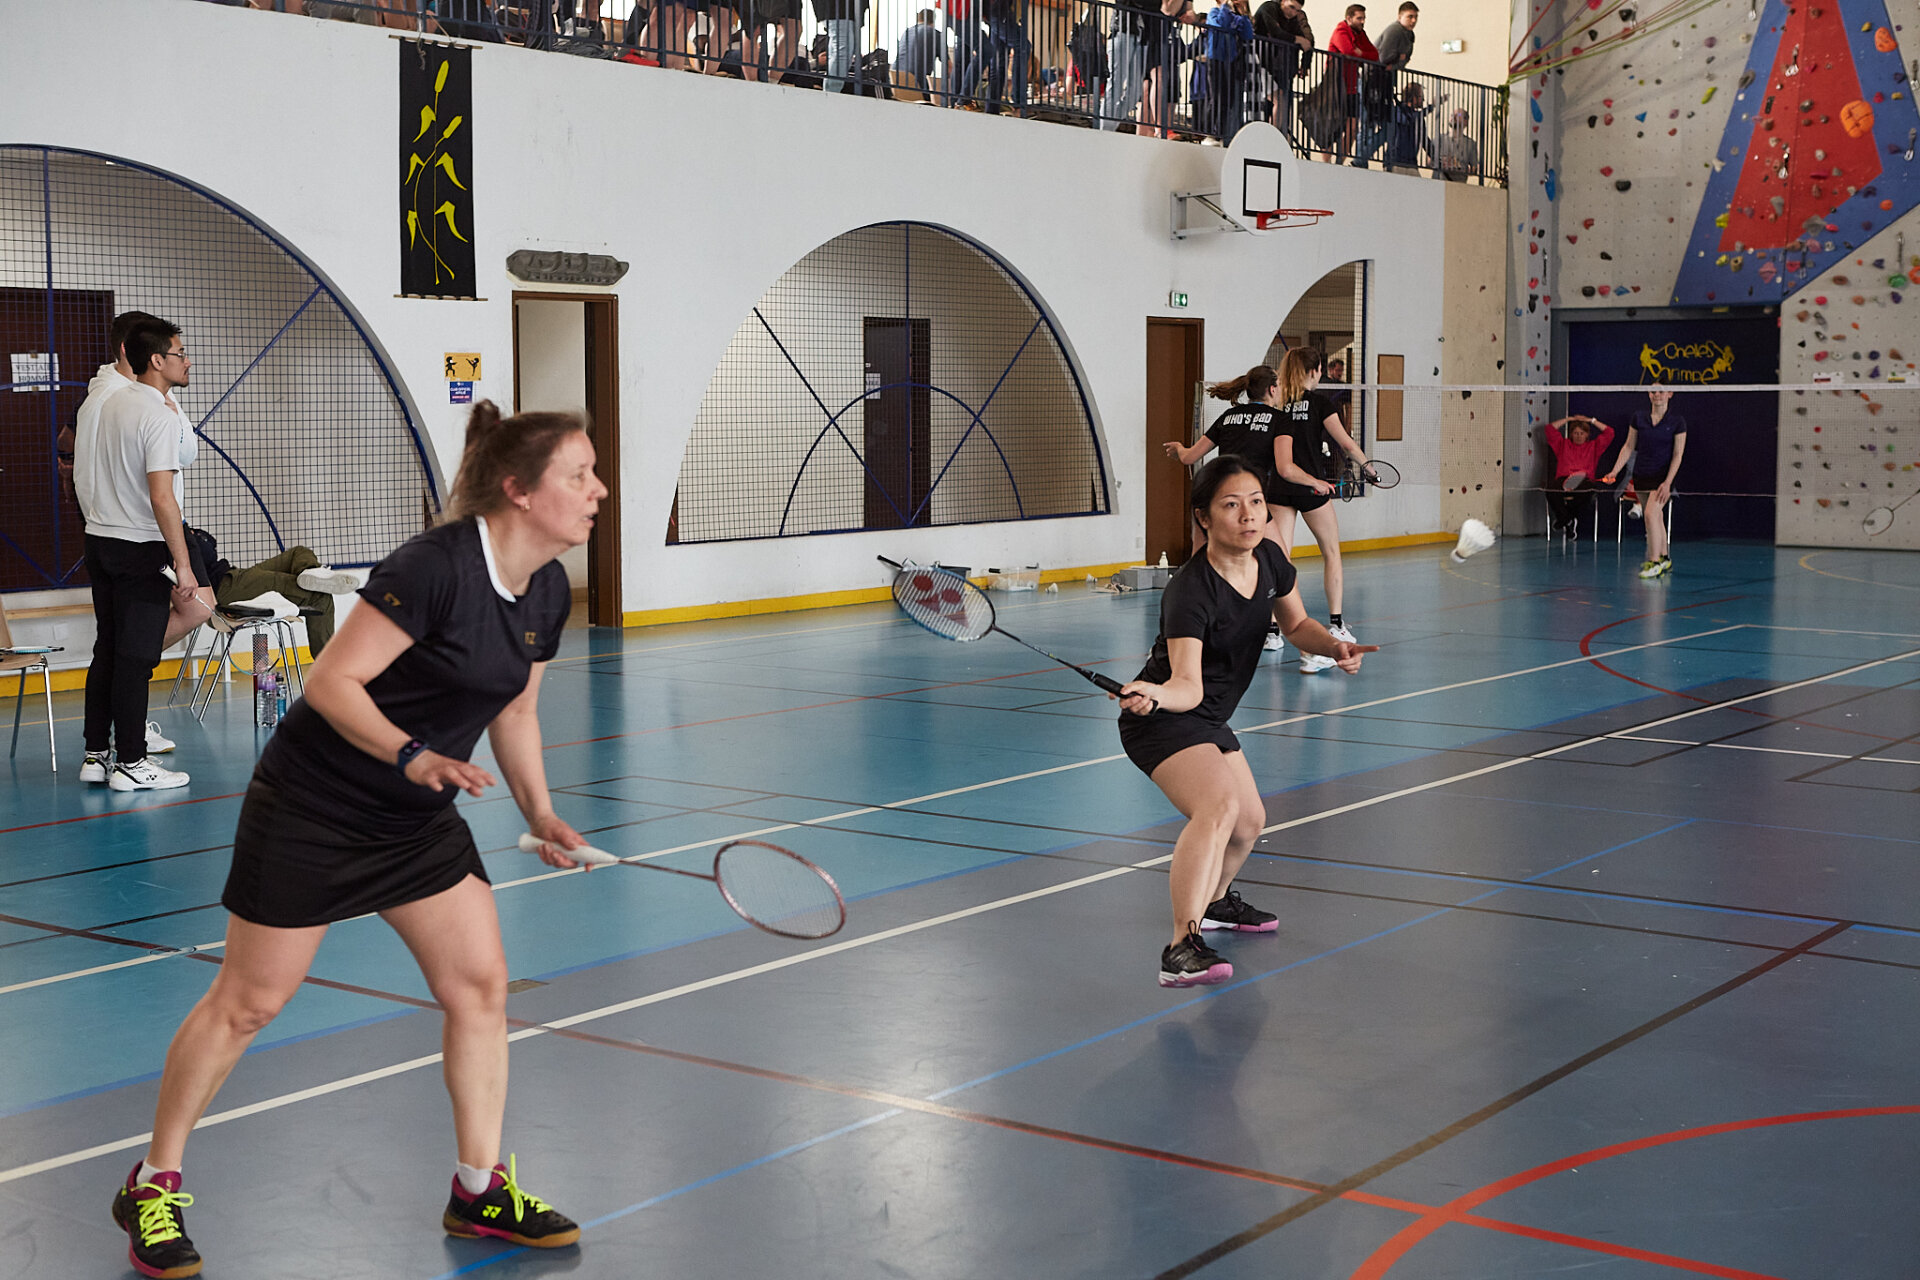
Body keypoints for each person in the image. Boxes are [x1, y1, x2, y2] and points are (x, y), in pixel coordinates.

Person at [110, 403, 605, 1280]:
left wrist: (540, 812)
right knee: (249, 1003)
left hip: (413, 821)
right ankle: (153, 1184)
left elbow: (517, 712)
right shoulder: (435, 568)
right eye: (580, 474)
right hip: (317, 804)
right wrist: (414, 754)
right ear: (519, 490)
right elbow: (334, 683)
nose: (598, 490)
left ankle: (477, 1190)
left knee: (480, 988)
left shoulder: (547, 588)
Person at [1115, 456, 1375, 988]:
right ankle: (1179, 948)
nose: (1250, 515)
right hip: (1165, 716)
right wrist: (1154, 695)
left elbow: (1296, 624)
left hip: (1208, 716)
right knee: (1218, 808)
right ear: (1204, 517)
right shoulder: (1190, 592)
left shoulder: (1270, 560)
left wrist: (1334, 646)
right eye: (1231, 505)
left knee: (1250, 821)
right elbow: (1186, 686)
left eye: (1256, 502)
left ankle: (1213, 904)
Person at [73, 319, 202, 792]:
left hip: (100, 540)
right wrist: (183, 563)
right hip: (140, 546)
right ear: (157, 360)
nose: (187, 361)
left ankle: (96, 754)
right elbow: (162, 497)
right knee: (135, 658)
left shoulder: (109, 402)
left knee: (108, 648)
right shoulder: (159, 416)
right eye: (180, 353)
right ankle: (131, 761)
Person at [1164, 364, 1289, 651]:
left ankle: (1180, 634)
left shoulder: (1228, 416)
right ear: (1272, 390)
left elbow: (1189, 457)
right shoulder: (1280, 420)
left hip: (1209, 498)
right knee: (1279, 562)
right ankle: (1272, 629)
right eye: (1279, 386)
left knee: (1197, 568)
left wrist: (1179, 448)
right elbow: (1285, 467)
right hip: (1243, 500)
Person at [1269, 347, 1371, 673]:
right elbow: (1346, 442)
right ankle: (1336, 624)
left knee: (1279, 560)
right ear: (1316, 371)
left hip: (1279, 487)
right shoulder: (1320, 404)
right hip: (1312, 487)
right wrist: (1368, 467)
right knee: (1331, 552)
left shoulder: (1277, 402)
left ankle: (1273, 630)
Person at [1600, 385, 1686, 577]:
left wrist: (1668, 482)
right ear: (1649, 394)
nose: (1657, 395)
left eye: (1661, 391)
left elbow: (1678, 455)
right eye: (1653, 392)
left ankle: (1653, 562)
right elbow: (1628, 447)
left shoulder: (1677, 422)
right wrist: (1615, 471)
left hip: (1662, 478)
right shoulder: (1638, 418)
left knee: (1649, 515)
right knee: (1656, 517)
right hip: (1641, 475)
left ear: (1670, 394)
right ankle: (1664, 558)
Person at [1539, 413, 1615, 537]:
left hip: (1584, 481)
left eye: (1582, 433)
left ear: (1587, 435)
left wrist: (1591, 420)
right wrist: (1569, 419)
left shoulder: (1594, 446)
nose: (1579, 436)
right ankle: (1568, 519)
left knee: (1587, 492)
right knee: (1551, 490)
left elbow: (1610, 432)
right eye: (1576, 433)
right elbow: (1549, 429)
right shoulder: (1562, 444)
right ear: (1571, 434)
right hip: (1563, 479)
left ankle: (1565, 519)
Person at [1325, 3, 1376, 161]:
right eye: (1359, 18)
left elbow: (1375, 55)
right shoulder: (1341, 30)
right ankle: (1327, 164)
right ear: (1349, 18)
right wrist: (1359, 54)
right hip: (1335, 86)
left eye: (1364, 18)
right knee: (1331, 127)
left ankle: (1339, 163)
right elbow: (1348, 52)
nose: (1362, 21)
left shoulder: (1360, 34)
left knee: (1352, 128)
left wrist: (1359, 53)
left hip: (1352, 88)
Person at [1251, 0, 1312, 131]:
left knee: (1281, 105)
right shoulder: (1269, 7)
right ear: (1283, 1)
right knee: (1272, 104)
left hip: (1283, 68)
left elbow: (1308, 43)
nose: (1293, 12)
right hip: (1261, 65)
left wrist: (1305, 65)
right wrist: (1297, 39)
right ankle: (1269, 135)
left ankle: (1274, 135)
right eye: (1291, 7)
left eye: (1297, 10)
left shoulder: (1293, 19)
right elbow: (1276, 32)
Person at [1202, 0, 1254, 141]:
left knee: (1227, 100)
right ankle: (1208, 132)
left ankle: (1220, 132)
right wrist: (1225, 6)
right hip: (1216, 58)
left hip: (1230, 60)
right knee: (1216, 96)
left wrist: (1244, 14)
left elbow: (1248, 34)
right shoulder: (1213, 13)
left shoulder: (1235, 18)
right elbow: (1220, 25)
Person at [1102, 0, 1153, 128]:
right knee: (1116, 84)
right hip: (1122, 32)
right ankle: (1106, 129)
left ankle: (1110, 126)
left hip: (1141, 37)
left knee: (1135, 91)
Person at [896, 7, 947, 95]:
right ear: (933, 20)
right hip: (918, 86)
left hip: (896, 82)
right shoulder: (935, 34)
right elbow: (948, 66)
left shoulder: (907, 32)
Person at [1385, 80, 1432, 172]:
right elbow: (1407, 120)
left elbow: (1425, 141)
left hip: (1411, 164)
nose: (1423, 100)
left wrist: (1438, 158)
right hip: (1395, 162)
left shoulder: (1418, 117)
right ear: (1413, 97)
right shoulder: (1398, 111)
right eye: (1421, 96)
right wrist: (1431, 107)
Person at [1435, 106, 1479, 180]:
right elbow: (1428, 162)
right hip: (1439, 183)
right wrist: (1442, 162)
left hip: (1458, 184)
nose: (1454, 116)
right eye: (1452, 115)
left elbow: (1474, 168)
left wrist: (1461, 168)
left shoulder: (1470, 144)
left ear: (1466, 122)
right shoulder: (1439, 139)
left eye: (1458, 115)